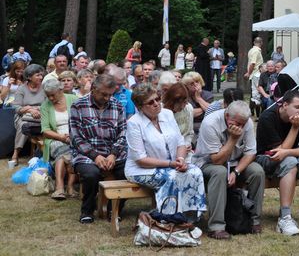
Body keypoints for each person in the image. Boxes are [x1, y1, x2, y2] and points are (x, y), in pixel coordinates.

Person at [126, 83, 206, 220]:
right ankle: (168, 218)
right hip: (141, 169)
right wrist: (170, 164)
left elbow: (180, 142)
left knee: (195, 171)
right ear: (140, 107)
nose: (156, 104)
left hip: (172, 164)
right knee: (171, 177)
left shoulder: (167, 114)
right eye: (150, 102)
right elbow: (141, 160)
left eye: (157, 99)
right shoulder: (134, 123)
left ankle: (191, 217)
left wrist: (180, 160)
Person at [255, 91, 299, 236]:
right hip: (265, 158)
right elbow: (277, 152)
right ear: (285, 105)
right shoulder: (267, 117)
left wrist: (288, 152)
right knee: (290, 163)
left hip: (288, 155)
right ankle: (285, 218)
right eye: (297, 107)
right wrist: (295, 128)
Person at [194, 100, 265, 239]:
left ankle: (254, 221)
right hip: (208, 164)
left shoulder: (247, 123)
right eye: (237, 123)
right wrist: (233, 139)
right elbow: (217, 160)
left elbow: (250, 153)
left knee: (257, 171)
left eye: (243, 124)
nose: (240, 127)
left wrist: (236, 171)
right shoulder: (210, 123)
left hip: (235, 163)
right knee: (220, 172)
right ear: (227, 115)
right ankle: (216, 227)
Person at [70, 74, 128, 223]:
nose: (108, 98)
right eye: (104, 94)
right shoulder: (78, 105)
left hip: (113, 153)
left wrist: (113, 154)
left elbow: (123, 133)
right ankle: (87, 210)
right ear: (94, 89)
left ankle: (114, 209)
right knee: (90, 174)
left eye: (110, 94)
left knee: (129, 172)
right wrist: (95, 155)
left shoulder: (118, 106)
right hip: (86, 154)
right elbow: (76, 137)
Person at [40, 79, 78, 199]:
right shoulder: (45, 106)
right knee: (63, 151)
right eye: (48, 96)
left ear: (60, 90)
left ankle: (68, 187)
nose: (50, 98)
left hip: (75, 135)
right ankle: (61, 187)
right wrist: (61, 137)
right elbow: (45, 130)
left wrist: (73, 135)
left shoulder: (73, 99)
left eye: (53, 95)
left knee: (74, 151)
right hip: (55, 138)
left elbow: (81, 120)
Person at [10, 63, 46, 167]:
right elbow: (16, 107)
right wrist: (29, 110)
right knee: (24, 125)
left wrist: (36, 109)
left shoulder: (44, 87)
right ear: (29, 77)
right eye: (38, 75)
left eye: (41, 75)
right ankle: (15, 153)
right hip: (23, 116)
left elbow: (48, 105)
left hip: (41, 114)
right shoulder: (21, 88)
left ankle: (43, 153)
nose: (41, 77)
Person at [161, 82, 194, 148]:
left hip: (185, 147)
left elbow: (189, 133)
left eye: (184, 102)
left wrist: (186, 144)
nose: (182, 106)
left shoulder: (188, 108)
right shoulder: (161, 111)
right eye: (179, 103)